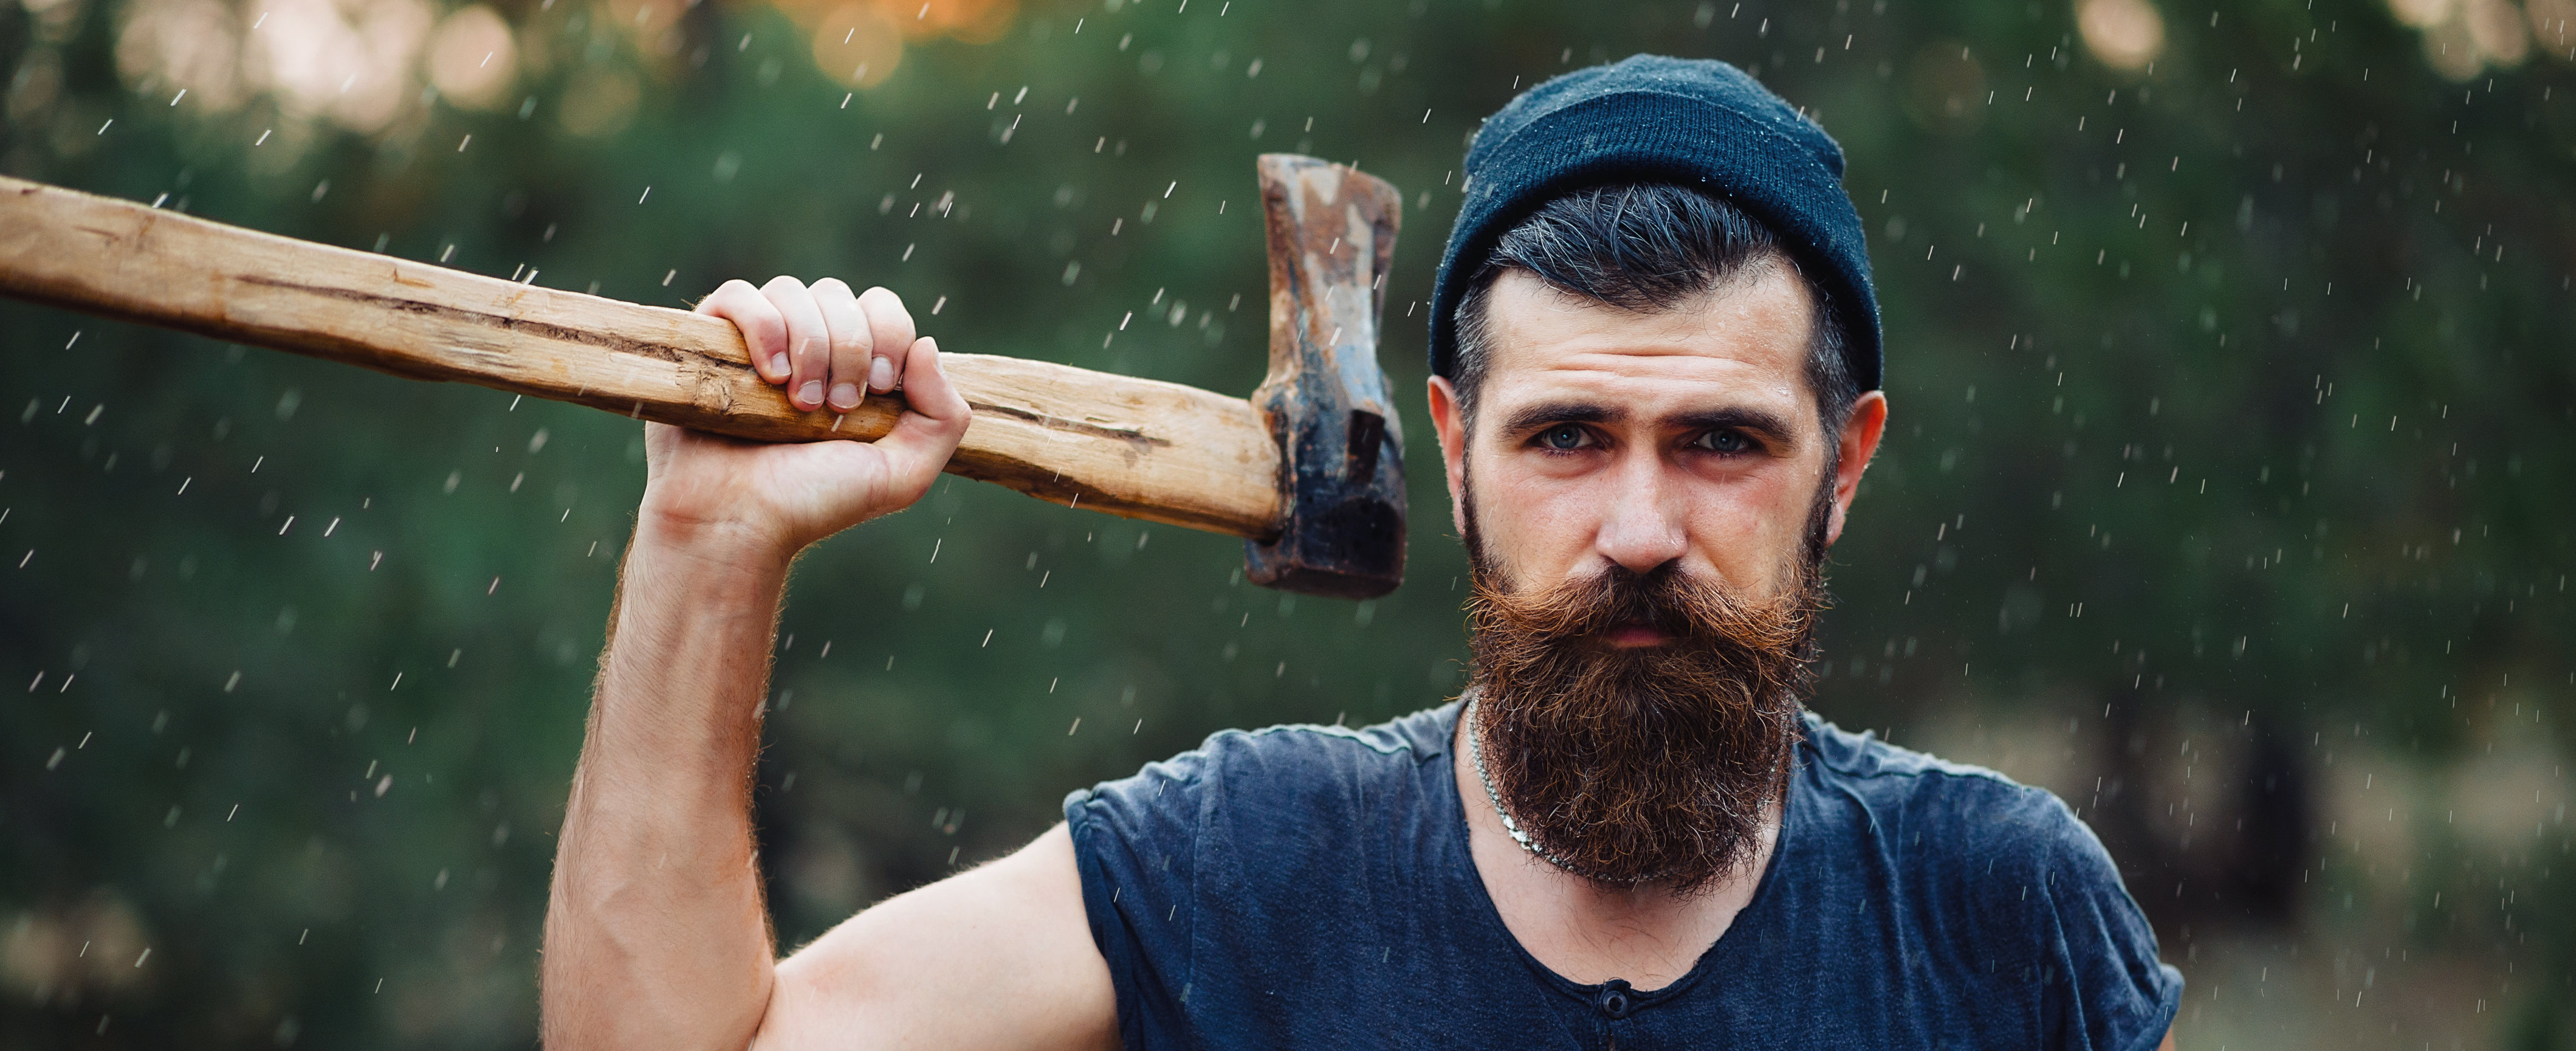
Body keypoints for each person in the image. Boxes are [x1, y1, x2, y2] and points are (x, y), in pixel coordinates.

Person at [540, 55, 2182, 1050]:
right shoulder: (1246, 867)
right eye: (1565, 436)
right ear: (1456, 449)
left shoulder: (2001, 913)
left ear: (1847, 466)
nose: (1635, 529)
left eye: (1722, 442)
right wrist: (707, 536)